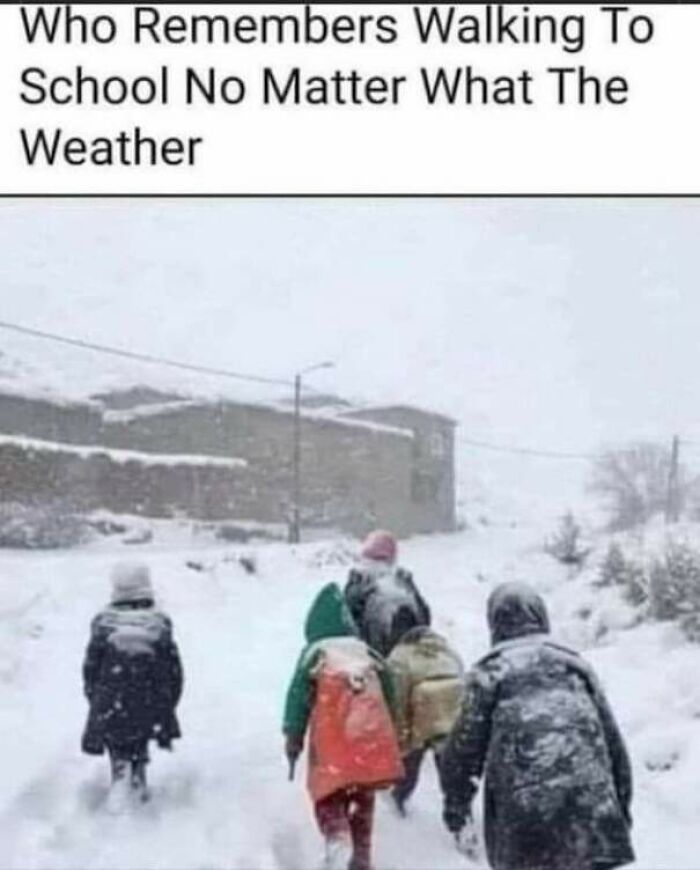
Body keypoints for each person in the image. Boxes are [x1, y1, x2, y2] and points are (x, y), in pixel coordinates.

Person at [440, 582, 634, 870]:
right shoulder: (576, 668)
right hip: (593, 817)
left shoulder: (490, 675)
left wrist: (456, 810)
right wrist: (619, 811)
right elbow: (614, 747)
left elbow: (462, 755)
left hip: (527, 822)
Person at [283, 582, 403, 870]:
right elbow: (390, 693)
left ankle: (337, 838)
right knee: (363, 797)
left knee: (328, 794)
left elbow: (297, 698)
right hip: (369, 739)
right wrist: (395, 734)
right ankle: (361, 857)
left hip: (333, 738)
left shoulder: (315, 652)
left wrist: (293, 737)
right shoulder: (367, 652)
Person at [81, 561, 183, 804]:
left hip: (110, 700)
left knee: (118, 742)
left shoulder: (103, 624)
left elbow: (90, 670)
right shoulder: (159, 623)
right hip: (150, 699)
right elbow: (173, 671)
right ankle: (137, 781)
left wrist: (96, 699)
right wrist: (168, 703)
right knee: (139, 739)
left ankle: (120, 777)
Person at [386, 605, 465, 817]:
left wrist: (401, 738)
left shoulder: (398, 657)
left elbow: (398, 701)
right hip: (453, 716)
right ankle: (461, 821)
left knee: (409, 767)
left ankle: (398, 804)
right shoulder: (447, 649)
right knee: (450, 776)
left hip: (422, 718)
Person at [344, 530, 431, 657]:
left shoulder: (357, 582)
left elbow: (346, 622)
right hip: (406, 656)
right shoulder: (403, 584)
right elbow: (424, 619)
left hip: (369, 658)